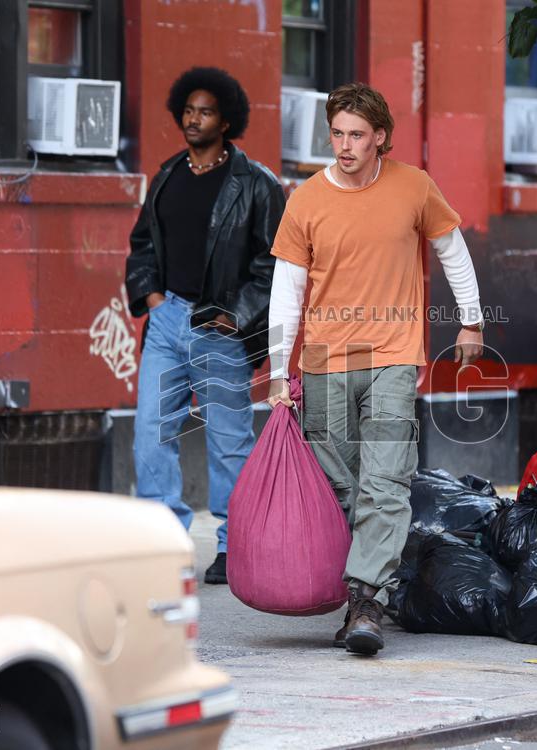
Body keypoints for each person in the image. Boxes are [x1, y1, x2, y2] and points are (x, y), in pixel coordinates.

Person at [266, 83, 485, 655]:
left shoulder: (414, 187)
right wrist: (274, 369)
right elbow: (285, 293)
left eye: (356, 135)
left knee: (386, 482)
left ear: (380, 138)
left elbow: (453, 250)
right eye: (337, 133)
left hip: (392, 358)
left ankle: (367, 603)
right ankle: (359, 593)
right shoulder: (306, 201)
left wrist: (472, 322)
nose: (344, 145)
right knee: (343, 488)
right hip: (324, 363)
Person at [126, 67, 285, 584]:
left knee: (228, 442)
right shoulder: (168, 175)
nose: (194, 119)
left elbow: (273, 263)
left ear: (227, 119)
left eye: (206, 111)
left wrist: (234, 316)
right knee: (151, 434)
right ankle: (164, 543)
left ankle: (234, 547)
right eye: (189, 111)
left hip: (220, 329)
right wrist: (152, 298)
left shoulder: (256, 184)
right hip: (168, 322)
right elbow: (143, 244)